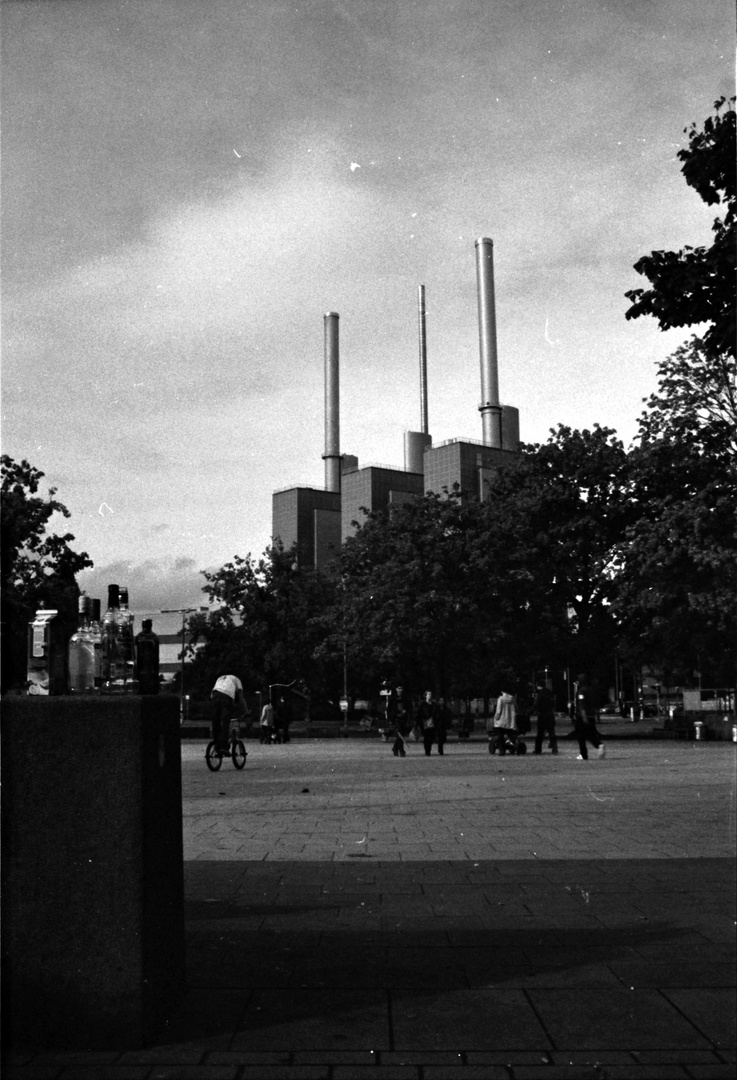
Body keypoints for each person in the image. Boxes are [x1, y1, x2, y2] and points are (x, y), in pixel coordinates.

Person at [210, 673, 247, 755]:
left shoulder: (220, 678)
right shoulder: (237, 680)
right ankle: (224, 747)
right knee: (225, 722)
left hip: (214, 695)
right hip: (227, 696)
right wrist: (245, 712)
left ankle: (217, 745)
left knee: (216, 721)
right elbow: (241, 698)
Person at [574, 673, 606, 759]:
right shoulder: (592, 690)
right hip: (591, 715)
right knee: (590, 734)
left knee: (581, 736)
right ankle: (599, 744)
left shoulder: (581, 691)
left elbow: (581, 705)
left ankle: (583, 754)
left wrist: (583, 716)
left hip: (583, 717)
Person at [490, 688, 517, 755]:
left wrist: (496, 718)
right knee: (510, 735)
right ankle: (513, 747)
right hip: (510, 721)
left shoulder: (500, 699)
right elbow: (516, 709)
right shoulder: (513, 699)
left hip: (501, 722)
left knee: (500, 736)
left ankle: (502, 751)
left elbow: (499, 711)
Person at [533, 682, 558, 755]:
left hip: (542, 715)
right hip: (550, 714)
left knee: (540, 733)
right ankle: (555, 749)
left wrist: (532, 711)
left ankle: (538, 749)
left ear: (539, 686)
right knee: (552, 733)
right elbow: (553, 703)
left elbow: (537, 704)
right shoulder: (550, 693)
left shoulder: (540, 694)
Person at [415, 690, 439, 756]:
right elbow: (418, 714)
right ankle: (427, 751)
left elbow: (437, 713)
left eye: (431, 694)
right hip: (424, 722)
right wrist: (417, 723)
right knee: (426, 737)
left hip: (433, 722)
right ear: (425, 696)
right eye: (428, 694)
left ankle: (428, 748)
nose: (430, 695)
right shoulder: (422, 705)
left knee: (432, 737)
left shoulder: (434, 705)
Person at [389, 686, 410, 757]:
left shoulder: (405, 699)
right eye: (399, 689)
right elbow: (389, 710)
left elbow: (409, 708)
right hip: (396, 719)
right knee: (399, 733)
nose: (400, 690)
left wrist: (406, 712)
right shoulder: (392, 699)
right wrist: (390, 720)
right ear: (396, 690)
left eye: (401, 689)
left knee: (401, 734)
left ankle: (395, 748)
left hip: (404, 719)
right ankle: (401, 750)